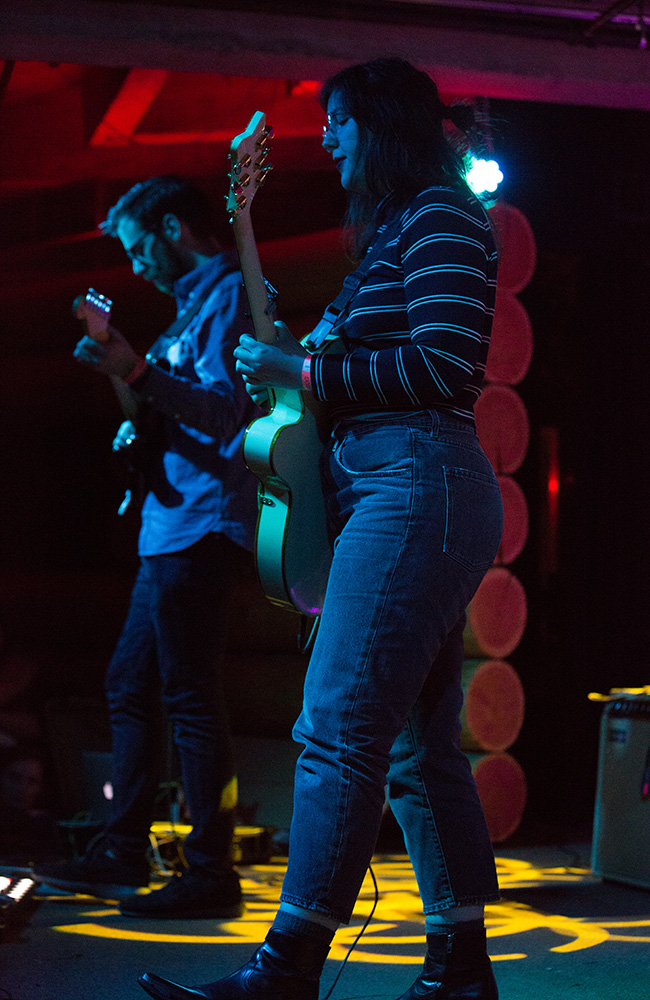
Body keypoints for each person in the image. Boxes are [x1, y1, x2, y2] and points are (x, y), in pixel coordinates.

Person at [138, 57, 503, 998]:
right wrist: (292, 364)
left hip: (418, 483)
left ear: (380, 125)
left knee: (337, 726)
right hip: (393, 490)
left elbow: (445, 367)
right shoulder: (396, 237)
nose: (330, 140)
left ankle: (287, 968)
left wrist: (306, 377)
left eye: (339, 122)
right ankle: (461, 970)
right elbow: (340, 369)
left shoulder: (444, 219)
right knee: (417, 750)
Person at [33, 175, 259, 919]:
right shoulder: (184, 316)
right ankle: (125, 847)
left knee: (190, 697)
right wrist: (120, 371)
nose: (136, 266)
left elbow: (228, 412)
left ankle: (209, 870)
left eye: (139, 248)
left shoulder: (231, 294)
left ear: (173, 228)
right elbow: (151, 405)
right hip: (169, 529)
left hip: (202, 526)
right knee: (132, 685)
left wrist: (135, 369)